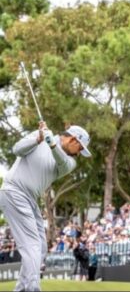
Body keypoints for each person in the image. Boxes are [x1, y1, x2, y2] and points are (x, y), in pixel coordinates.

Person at [0, 122, 91, 291]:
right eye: (80, 148)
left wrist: (52, 144)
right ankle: (33, 288)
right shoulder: (39, 136)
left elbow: (61, 160)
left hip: (30, 199)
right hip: (14, 191)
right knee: (32, 244)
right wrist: (37, 139)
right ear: (73, 140)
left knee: (40, 247)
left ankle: (21, 288)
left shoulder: (70, 162)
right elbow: (16, 149)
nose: (79, 153)